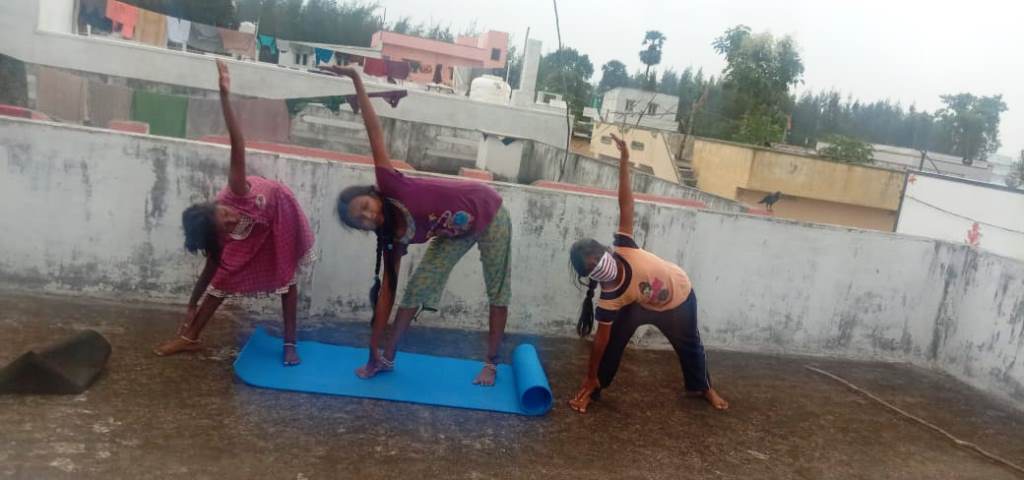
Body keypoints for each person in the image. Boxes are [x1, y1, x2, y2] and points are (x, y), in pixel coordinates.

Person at [333, 68, 511, 386]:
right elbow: (386, 294)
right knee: (416, 288)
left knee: (497, 290)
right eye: (360, 221)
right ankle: (386, 359)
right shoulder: (391, 238)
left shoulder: (390, 185)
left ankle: (491, 363)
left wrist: (357, 81)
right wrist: (372, 350)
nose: (368, 217)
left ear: (373, 195)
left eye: (366, 207)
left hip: (489, 210)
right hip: (455, 232)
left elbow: (374, 131)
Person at [153, 60, 316, 366]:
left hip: (280, 213)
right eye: (226, 228)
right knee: (223, 277)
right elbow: (211, 269)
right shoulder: (220, 233)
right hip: (255, 228)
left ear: (218, 205)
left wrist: (225, 96)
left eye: (225, 216)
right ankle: (190, 337)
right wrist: (191, 304)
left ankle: (290, 343)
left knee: (286, 278)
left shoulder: (236, 190)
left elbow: (237, 143)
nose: (230, 221)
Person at [567, 134, 728, 414]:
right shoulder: (609, 299)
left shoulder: (624, 246)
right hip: (639, 306)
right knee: (612, 344)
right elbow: (600, 342)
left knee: (690, 345)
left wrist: (624, 160)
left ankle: (704, 388)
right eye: (591, 268)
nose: (597, 266)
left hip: (679, 297)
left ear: (605, 250)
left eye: (597, 259)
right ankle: (594, 387)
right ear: (589, 276)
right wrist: (590, 375)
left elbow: (626, 204)